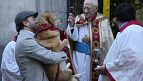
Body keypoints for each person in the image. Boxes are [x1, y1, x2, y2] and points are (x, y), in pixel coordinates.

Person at [67, 0, 114, 81]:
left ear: (96, 9)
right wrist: (71, 26)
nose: (85, 11)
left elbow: (108, 41)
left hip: (95, 58)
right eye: (84, 7)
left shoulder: (103, 21)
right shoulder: (78, 18)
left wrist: (91, 39)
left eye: (88, 8)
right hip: (79, 57)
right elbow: (73, 38)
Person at [14, 11, 68, 81]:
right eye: (33, 19)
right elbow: (49, 57)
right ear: (25, 23)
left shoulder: (30, 38)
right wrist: (65, 54)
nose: (36, 21)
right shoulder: (25, 41)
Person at [98, 3, 143, 81]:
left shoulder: (131, 31)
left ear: (117, 18)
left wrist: (107, 68)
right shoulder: (137, 30)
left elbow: (132, 58)